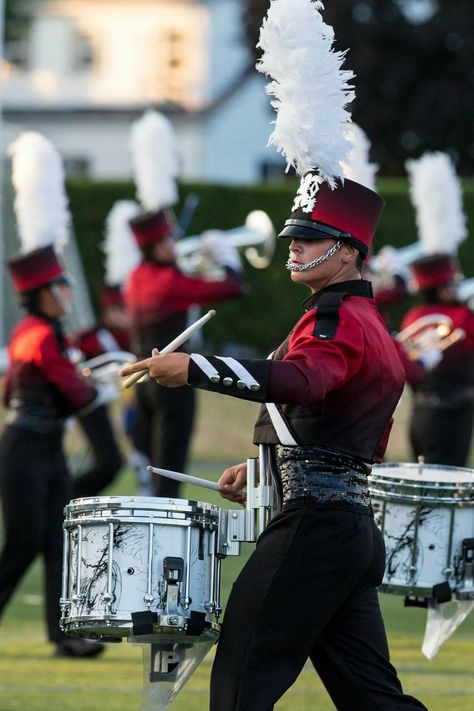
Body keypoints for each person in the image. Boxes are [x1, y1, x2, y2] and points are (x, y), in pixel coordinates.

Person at [121, 172, 429, 709]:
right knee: (376, 701)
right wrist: (265, 467)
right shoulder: (365, 317)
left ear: (349, 252)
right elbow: (332, 429)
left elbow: (306, 382)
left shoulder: (337, 315)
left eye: (309, 237)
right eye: (293, 236)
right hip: (346, 528)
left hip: (316, 527)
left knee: (239, 687)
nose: (294, 246)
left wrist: (196, 367)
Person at [0, 245, 104, 658]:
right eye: (61, 284)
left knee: (57, 541)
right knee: (23, 542)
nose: (67, 290)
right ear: (44, 292)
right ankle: (62, 634)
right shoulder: (42, 335)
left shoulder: (31, 331)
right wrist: (95, 388)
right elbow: (76, 393)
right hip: (26, 449)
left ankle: (63, 635)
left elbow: (11, 392)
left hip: (43, 448)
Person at [125, 208, 245, 498]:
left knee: (156, 470)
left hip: (145, 383)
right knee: (169, 473)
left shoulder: (136, 277)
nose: (175, 246)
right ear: (155, 246)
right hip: (172, 382)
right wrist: (227, 258)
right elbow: (232, 288)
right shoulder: (167, 282)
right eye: (169, 241)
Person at [400, 254, 474, 467]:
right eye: (453, 283)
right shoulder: (462, 317)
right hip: (452, 417)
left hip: (421, 415)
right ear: (440, 288)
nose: (457, 287)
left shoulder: (413, 315)